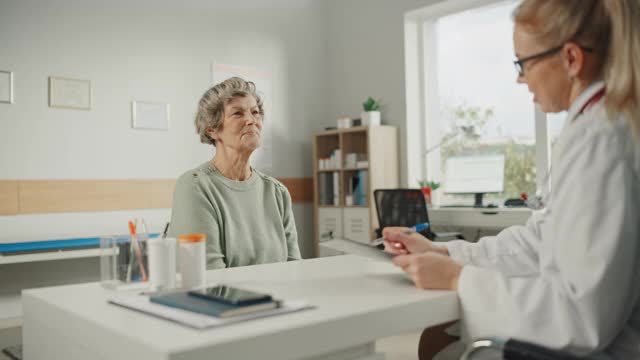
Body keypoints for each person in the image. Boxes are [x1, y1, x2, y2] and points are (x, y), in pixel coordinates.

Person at [383, 0, 640, 358]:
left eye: (524, 63)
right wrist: (443, 251)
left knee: (439, 350)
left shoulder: (601, 139)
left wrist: (458, 279)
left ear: (571, 59)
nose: (520, 78)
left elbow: (580, 317)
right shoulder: (597, 127)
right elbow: (540, 241)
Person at [169, 77, 301, 269]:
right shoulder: (195, 186)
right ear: (212, 129)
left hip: (279, 298)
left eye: (255, 112)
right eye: (238, 113)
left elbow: (295, 270)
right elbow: (210, 277)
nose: (251, 120)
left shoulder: (277, 192)